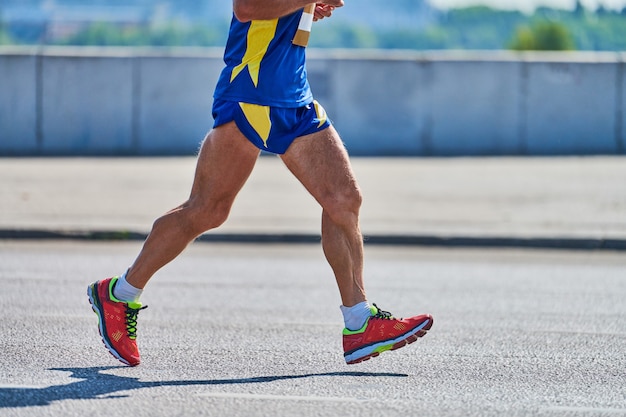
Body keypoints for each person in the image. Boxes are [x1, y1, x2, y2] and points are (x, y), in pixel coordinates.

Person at [87, 0, 433, 367]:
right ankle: (121, 293)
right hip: (249, 93)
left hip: (294, 99)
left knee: (344, 200)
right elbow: (248, 7)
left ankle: (359, 320)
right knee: (207, 209)